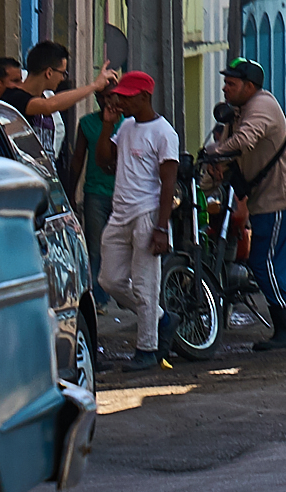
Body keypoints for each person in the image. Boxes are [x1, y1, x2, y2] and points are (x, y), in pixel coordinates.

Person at [204, 57, 286, 350]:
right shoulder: (240, 110)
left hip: (278, 198)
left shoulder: (261, 106)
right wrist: (215, 167)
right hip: (269, 199)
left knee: (263, 262)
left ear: (249, 86)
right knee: (279, 264)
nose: (224, 87)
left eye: (231, 83)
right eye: (225, 82)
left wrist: (213, 151)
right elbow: (234, 154)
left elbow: (245, 140)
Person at [94, 72, 179, 371]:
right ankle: (160, 319)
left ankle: (147, 349)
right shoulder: (126, 126)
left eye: (127, 97)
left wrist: (161, 227)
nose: (120, 101)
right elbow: (104, 161)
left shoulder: (164, 133)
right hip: (120, 213)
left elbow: (168, 183)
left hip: (147, 213)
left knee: (145, 285)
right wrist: (107, 124)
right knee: (109, 280)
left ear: (145, 96)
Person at [11, 40, 116, 161]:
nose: (62, 78)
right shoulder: (15, 97)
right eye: (63, 73)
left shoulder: (45, 98)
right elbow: (48, 106)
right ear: (49, 73)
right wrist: (94, 86)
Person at [71, 87, 121, 305]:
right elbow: (77, 160)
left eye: (111, 95)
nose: (107, 100)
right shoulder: (87, 124)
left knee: (122, 247)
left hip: (124, 194)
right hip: (95, 193)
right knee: (96, 247)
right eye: (102, 96)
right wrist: (71, 194)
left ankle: (122, 293)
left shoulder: (129, 123)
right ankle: (97, 299)